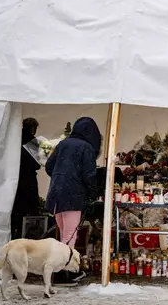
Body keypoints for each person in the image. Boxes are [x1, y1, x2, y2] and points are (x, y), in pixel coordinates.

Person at [45, 117, 102, 286]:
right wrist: (93, 194)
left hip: (56, 195)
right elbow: (90, 175)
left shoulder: (63, 144)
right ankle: (64, 274)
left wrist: (61, 177)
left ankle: (62, 271)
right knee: (69, 237)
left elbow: (49, 167)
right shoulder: (87, 148)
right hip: (73, 196)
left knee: (63, 234)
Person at [12, 118, 42, 240]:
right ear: (33, 128)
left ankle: (14, 234)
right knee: (30, 208)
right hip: (28, 179)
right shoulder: (33, 142)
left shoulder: (14, 139)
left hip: (15, 177)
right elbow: (38, 164)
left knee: (16, 208)